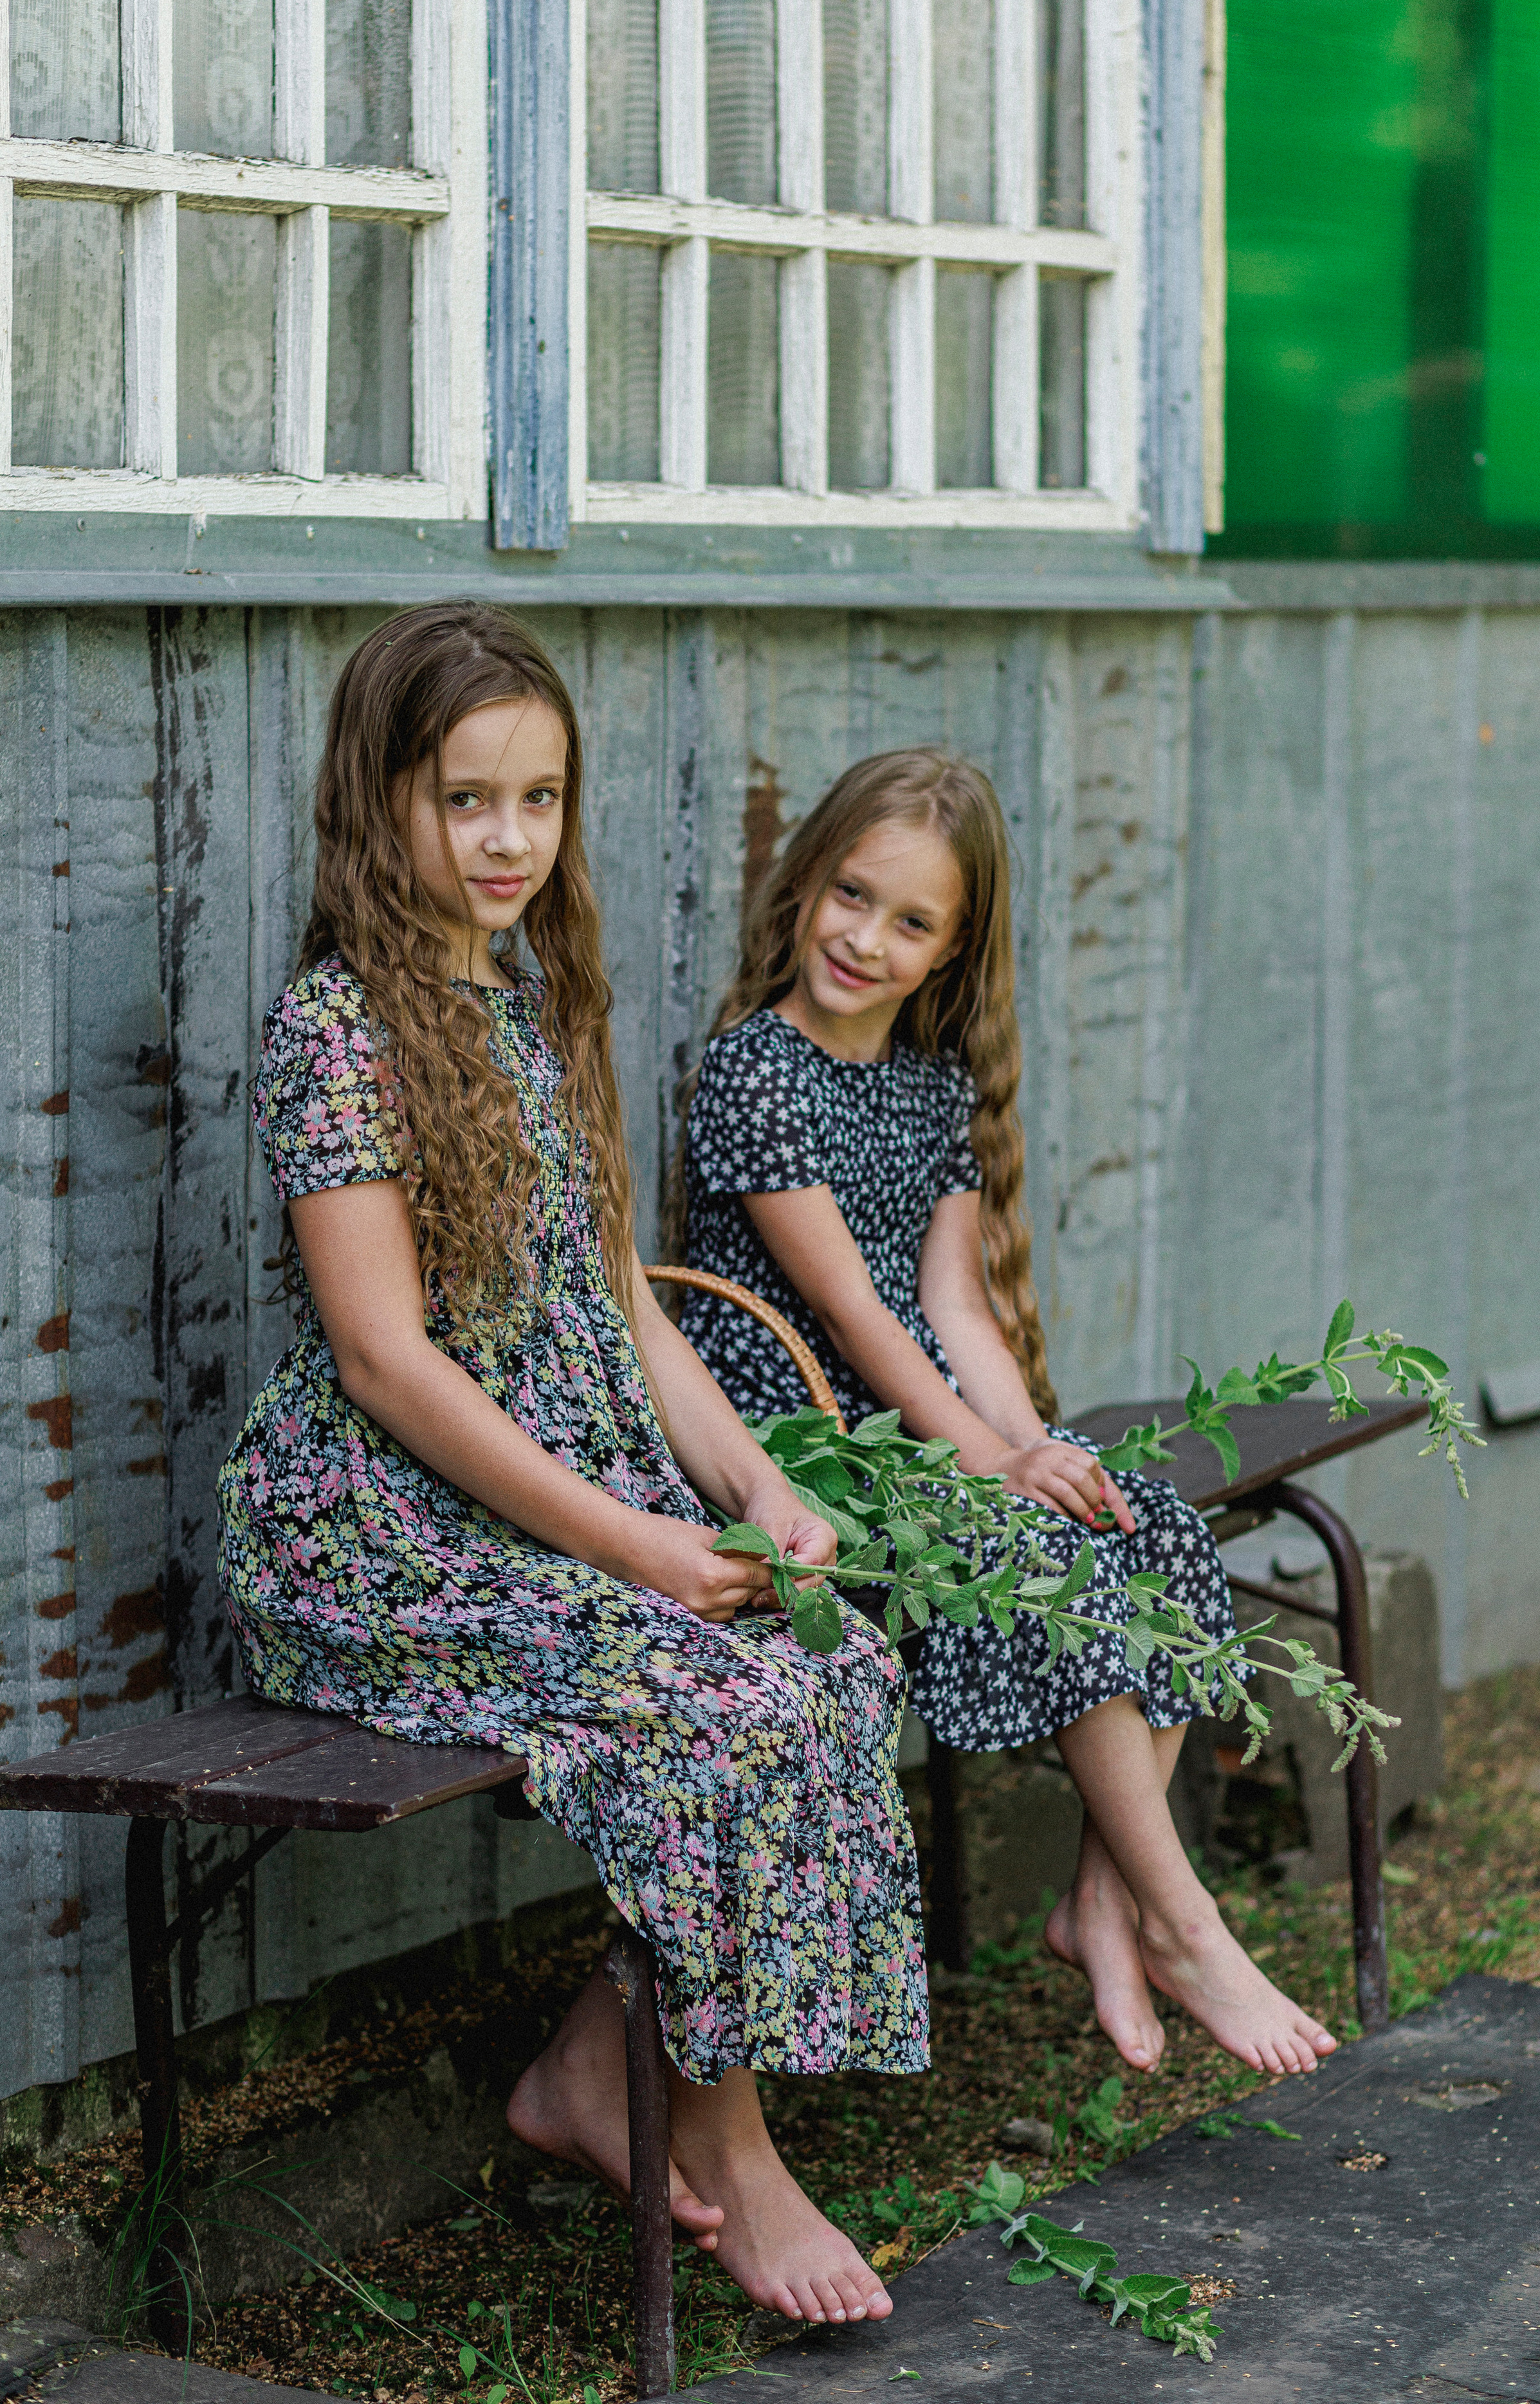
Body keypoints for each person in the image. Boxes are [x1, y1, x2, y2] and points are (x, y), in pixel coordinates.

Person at [217, 605, 926, 2330]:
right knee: (724, 1700)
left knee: (828, 1660)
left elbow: (615, 1294)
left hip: (553, 1509)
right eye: (467, 799)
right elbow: (387, 1362)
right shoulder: (339, 1037)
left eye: (541, 798)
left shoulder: (529, 992)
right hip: (379, 1541)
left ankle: (596, 2079)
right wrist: (639, 1547)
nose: (510, 839)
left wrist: (753, 1488)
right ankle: (737, 2160)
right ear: (378, 802)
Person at [671, 749, 1338, 2081]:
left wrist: (1034, 1445)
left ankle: (1101, 1899)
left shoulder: (929, 1086)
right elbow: (852, 1317)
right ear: (804, 883)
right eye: (849, 895)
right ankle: (1181, 1919)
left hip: (916, 1424)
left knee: (1134, 1524)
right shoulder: (753, 1074)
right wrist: (986, 1463)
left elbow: (953, 1310)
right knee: (1042, 1556)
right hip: (800, 1444)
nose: (863, 938)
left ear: (953, 946)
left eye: (909, 921)